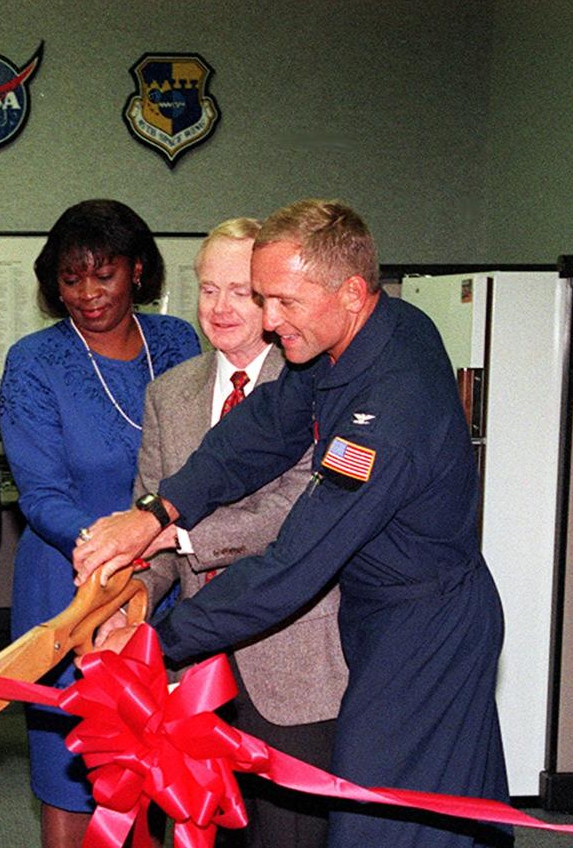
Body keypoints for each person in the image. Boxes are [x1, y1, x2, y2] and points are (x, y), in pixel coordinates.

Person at [76, 199, 510, 848]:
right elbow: (263, 426)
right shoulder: (364, 332)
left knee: (379, 827)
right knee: (431, 820)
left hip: (427, 629)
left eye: (284, 301)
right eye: (262, 297)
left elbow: (292, 567)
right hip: (381, 611)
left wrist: (153, 647)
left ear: (352, 291)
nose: (269, 321)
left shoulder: (387, 411)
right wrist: (158, 510)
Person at [113, 218, 347, 848]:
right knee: (199, 831)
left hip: (292, 662)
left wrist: (181, 539)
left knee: (287, 836)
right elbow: (151, 527)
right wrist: (130, 600)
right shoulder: (168, 396)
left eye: (240, 291)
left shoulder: (316, 382)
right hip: (196, 666)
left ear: (273, 301)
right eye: (208, 289)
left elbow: (299, 507)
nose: (220, 307)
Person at [0, 199, 200, 848]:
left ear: (138, 270)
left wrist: (152, 546)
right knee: (75, 779)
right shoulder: (35, 360)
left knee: (166, 766)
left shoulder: (179, 344)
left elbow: (205, 463)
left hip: (166, 581)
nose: (86, 293)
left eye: (103, 274)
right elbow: (41, 493)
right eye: (70, 277)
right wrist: (121, 547)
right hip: (69, 581)